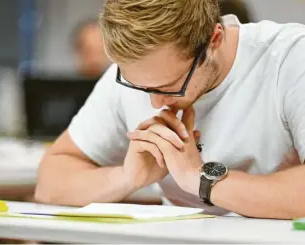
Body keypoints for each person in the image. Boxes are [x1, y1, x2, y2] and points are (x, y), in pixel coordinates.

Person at [35, 0, 305, 219]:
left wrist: (200, 180)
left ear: (215, 39)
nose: (155, 103)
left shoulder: (290, 59)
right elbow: (50, 182)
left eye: (170, 85)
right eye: (140, 88)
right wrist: (126, 178)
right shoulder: (133, 73)